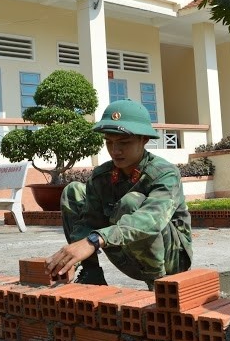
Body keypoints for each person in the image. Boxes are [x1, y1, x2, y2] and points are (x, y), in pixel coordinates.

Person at [45, 99, 192, 288]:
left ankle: (157, 285)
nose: (115, 151)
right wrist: (72, 259)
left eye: (124, 143)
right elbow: (89, 221)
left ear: (144, 139)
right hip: (125, 255)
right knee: (72, 191)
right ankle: (91, 273)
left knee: (131, 202)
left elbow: (150, 220)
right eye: (109, 142)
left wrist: (94, 240)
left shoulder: (165, 173)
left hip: (170, 261)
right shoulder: (102, 177)